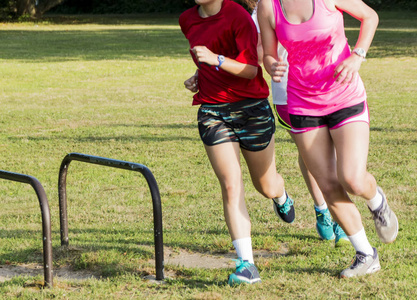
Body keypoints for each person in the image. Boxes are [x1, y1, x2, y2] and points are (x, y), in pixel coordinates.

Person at [258, 0, 398, 278]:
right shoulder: (268, 6)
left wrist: (358, 55)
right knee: (327, 184)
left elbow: (370, 16)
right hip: (302, 104)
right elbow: (268, 53)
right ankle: (366, 254)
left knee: (353, 179)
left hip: (344, 95)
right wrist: (272, 65)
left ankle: (377, 202)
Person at [179, 0, 295, 286]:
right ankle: (247, 264)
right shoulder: (186, 20)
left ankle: (280, 194)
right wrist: (199, 76)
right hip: (212, 112)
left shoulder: (238, 16)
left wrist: (215, 60)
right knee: (231, 184)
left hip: (252, 109)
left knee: (265, 185)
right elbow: (205, 58)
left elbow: (250, 70)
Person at [250, 0, 349, 246]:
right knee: (312, 155)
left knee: (330, 154)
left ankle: (339, 216)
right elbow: (261, 51)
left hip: (328, 87)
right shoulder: (264, 9)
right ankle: (325, 211)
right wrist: (273, 62)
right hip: (290, 92)